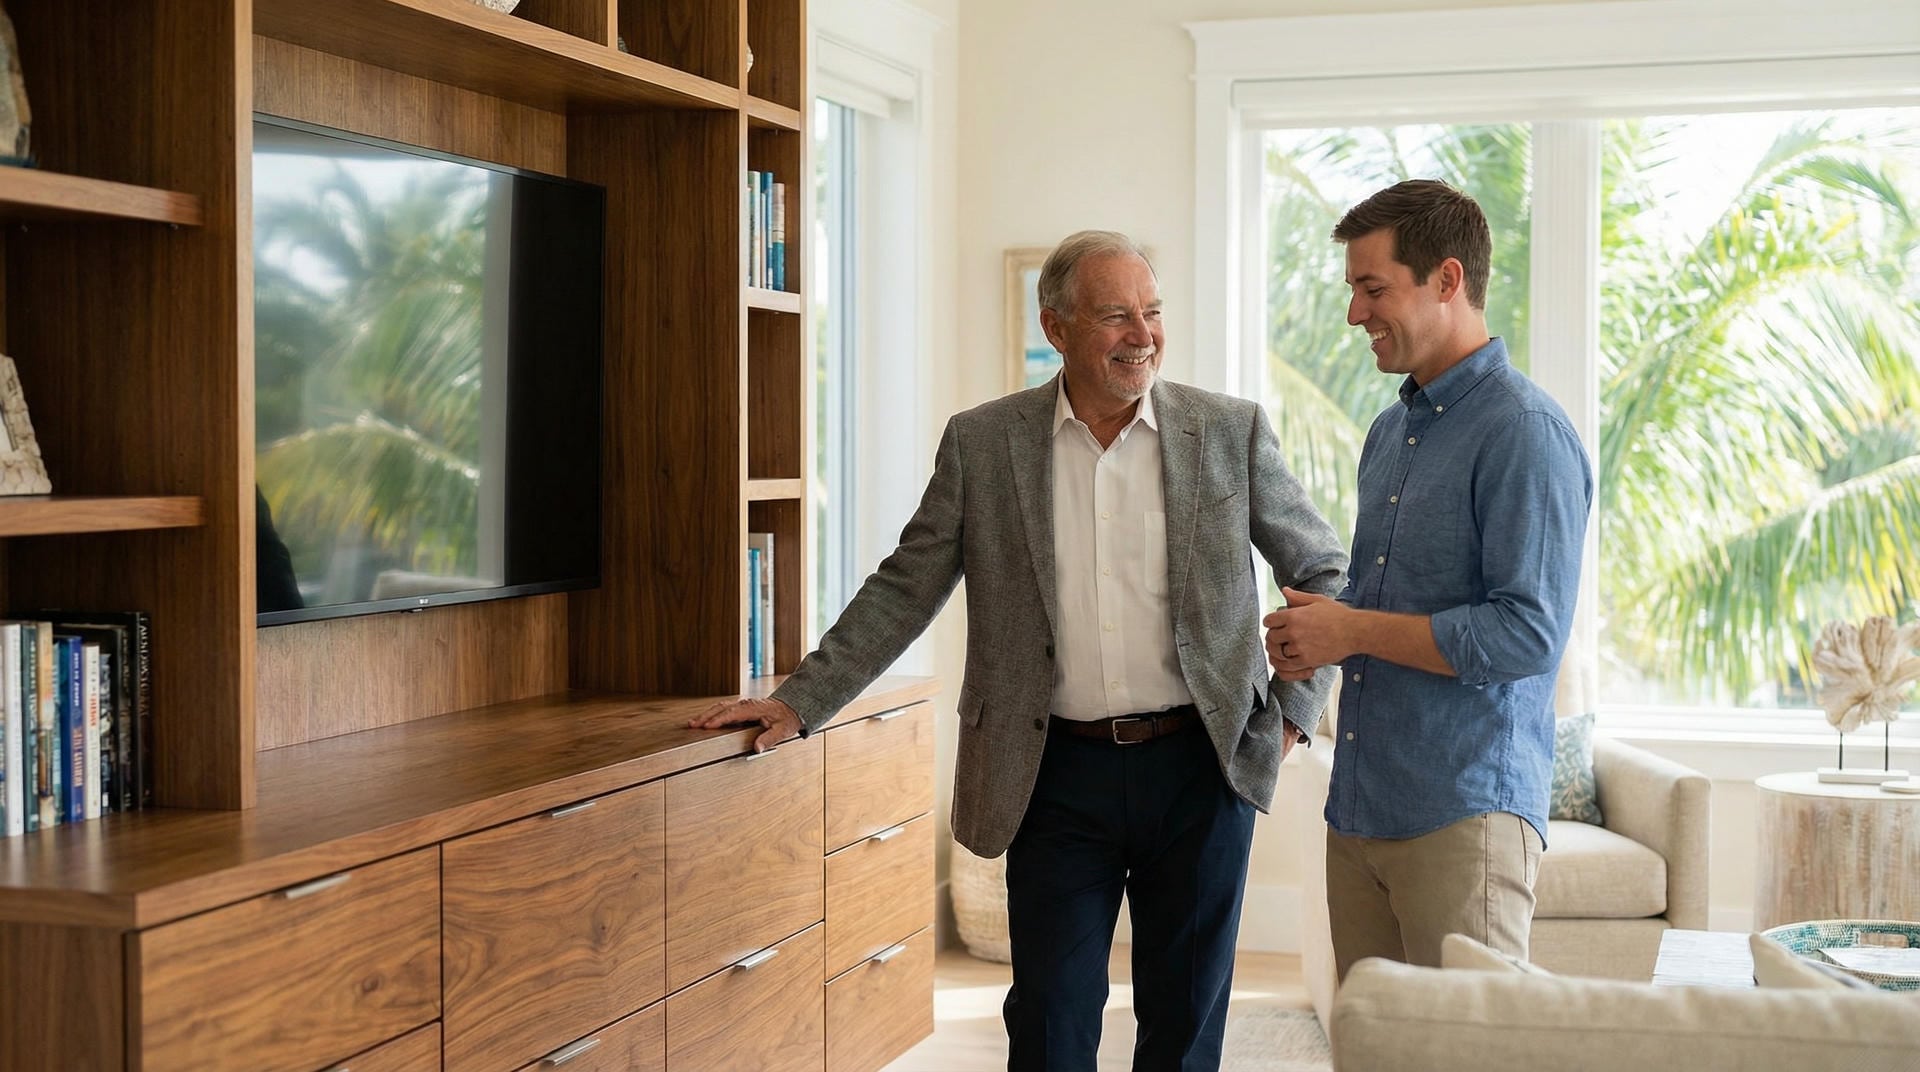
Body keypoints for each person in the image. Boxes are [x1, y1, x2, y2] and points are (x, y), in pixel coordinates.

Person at [692, 230, 1347, 1072]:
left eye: (1152, 312)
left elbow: (1323, 570)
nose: (1142, 335)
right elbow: (906, 585)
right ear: (1057, 324)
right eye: (1115, 315)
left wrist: (1294, 715)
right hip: (1052, 775)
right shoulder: (985, 443)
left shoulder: (1227, 432)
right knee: (1048, 1018)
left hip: (1201, 767)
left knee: (1185, 1023)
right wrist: (799, 699)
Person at [1263, 179, 1593, 980]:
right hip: (1363, 806)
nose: (1353, 314)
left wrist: (1349, 632)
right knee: (1373, 1051)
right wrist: (1321, 630)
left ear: (1448, 280)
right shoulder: (1390, 431)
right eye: (1351, 290)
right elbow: (1394, 606)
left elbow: (1526, 633)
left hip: (1464, 816)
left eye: (1372, 289)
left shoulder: (1525, 431)